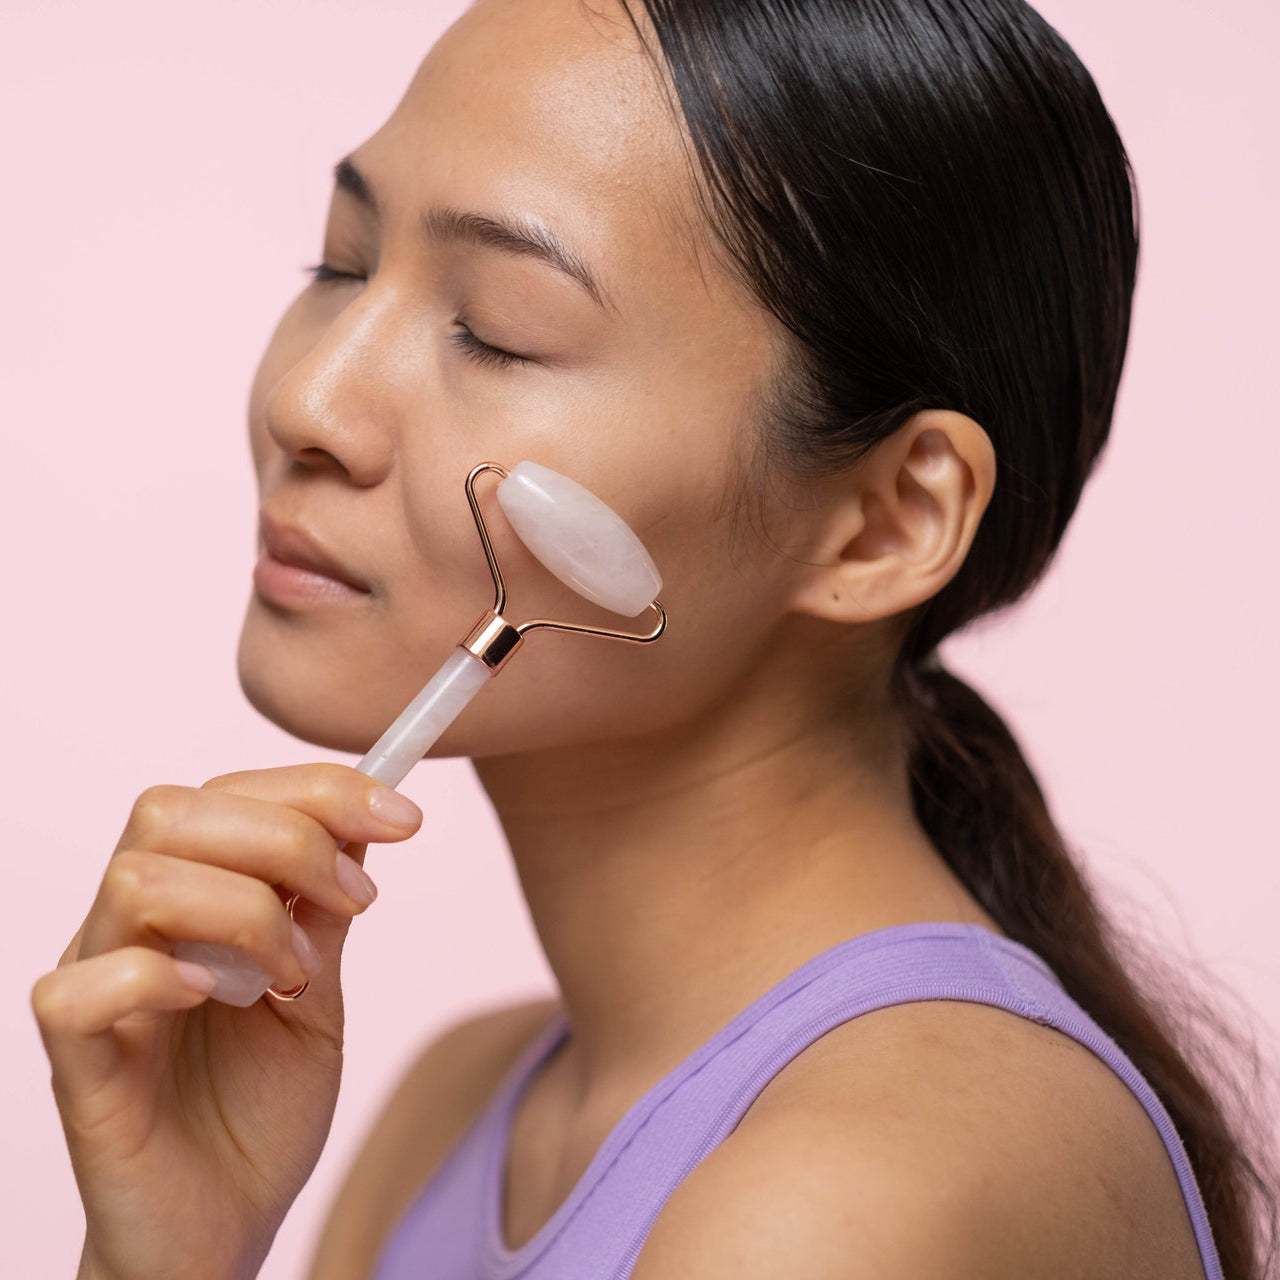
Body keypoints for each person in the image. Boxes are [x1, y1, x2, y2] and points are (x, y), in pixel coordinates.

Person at [33, 0, 1275, 1277]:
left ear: (884, 521)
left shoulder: (846, 1201)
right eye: (340, 264)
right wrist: (166, 1260)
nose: (309, 398)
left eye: (498, 328)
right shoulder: (454, 1113)